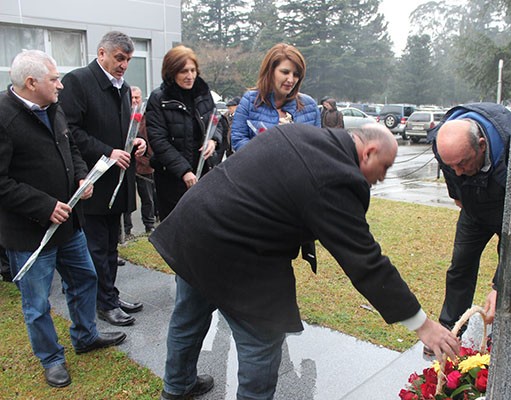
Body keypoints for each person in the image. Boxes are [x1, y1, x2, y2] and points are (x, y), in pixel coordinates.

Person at [150, 123, 460, 400]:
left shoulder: (303, 133)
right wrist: (422, 324)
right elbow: (365, 261)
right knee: (261, 340)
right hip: (236, 250)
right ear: (369, 151)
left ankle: (176, 387)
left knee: (188, 317)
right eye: (385, 166)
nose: (382, 178)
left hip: (193, 227)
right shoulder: (336, 176)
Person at [0, 50, 126, 388]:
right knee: (37, 303)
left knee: (85, 278)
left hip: (69, 225)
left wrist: (82, 178)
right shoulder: (2, 117)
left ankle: (86, 336)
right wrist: (43, 206)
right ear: (31, 83)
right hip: (29, 233)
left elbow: (69, 147)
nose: (61, 85)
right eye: (54, 79)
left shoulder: (53, 106)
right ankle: (51, 359)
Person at [60, 31, 146, 326]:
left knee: (111, 247)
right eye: (119, 58)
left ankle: (109, 294)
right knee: (97, 248)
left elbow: (120, 128)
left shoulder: (121, 87)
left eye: (128, 60)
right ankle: (103, 303)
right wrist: (108, 152)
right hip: (93, 181)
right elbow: (70, 131)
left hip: (118, 181)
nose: (124, 65)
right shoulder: (78, 81)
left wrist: (134, 142)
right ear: (102, 54)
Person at [424, 102, 511, 356]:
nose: (459, 171)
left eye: (463, 163)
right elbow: (455, 184)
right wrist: (461, 195)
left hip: (509, 212)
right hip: (473, 211)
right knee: (459, 267)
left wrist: (498, 286)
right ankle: (450, 331)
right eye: (452, 166)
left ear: (481, 145)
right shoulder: (446, 147)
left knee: (507, 279)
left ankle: (502, 335)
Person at [145, 45, 223, 220]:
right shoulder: (159, 98)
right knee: (176, 228)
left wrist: (213, 140)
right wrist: (183, 170)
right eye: (183, 71)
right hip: (172, 179)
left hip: (204, 172)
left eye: (193, 70)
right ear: (172, 72)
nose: (190, 76)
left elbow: (216, 122)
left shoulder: (203, 93)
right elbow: (158, 140)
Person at [231, 43, 320, 151]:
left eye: (296, 74)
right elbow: (237, 140)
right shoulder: (250, 100)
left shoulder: (309, 106)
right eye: (285, 72)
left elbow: (317, 149)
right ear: (270, 71)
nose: (291, 80)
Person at [123, 86, 156, 235]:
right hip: (127, 163)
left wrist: (149, 157)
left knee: (147, 197)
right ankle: (126, 229)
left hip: (145, 163)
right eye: (132, 98)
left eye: (137, 97)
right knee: (127, 199)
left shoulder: (148, 117)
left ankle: (149, 225)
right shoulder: (123, 116)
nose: (135, 101)